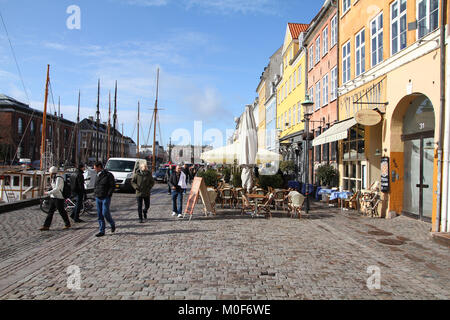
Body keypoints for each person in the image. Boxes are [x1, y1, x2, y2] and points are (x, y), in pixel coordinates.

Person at [40, 166, 71, 231]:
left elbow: (57, 188)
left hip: (59, 197)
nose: (50, 174)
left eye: (50, 173)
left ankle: (67, 224)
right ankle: (46, 226)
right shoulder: (53, 178)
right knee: (50, 212)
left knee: (61, 211)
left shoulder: (59, 178)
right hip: (53, 197)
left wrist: (49, 192)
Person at [93, 161, 116, 237]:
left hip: (105, 196)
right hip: (98, 196)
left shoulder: (108, 175)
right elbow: (96, 185)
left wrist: (109, 194)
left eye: (95, 168)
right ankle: (101, 230)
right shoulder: (97, 175)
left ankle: (112, 223)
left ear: (99, 167)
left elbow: (112, 185)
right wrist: (95, 193)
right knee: (100, 215)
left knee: (105, 212)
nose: (94, 170)